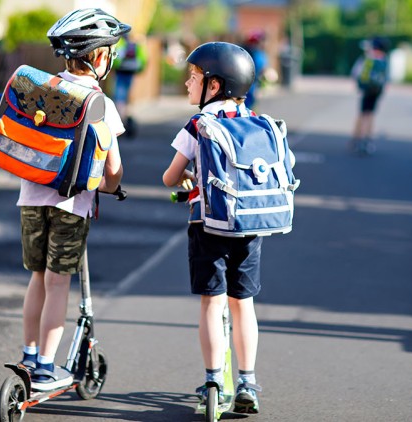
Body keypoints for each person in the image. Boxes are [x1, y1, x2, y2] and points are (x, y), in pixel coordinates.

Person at [16, 7, 128, 391]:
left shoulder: (42, 90)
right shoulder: (100, 104)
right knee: (58, 283)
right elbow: (113, 170)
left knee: (36, 280)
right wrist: (113, 187)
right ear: (99, 57)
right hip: (71, 205)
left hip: (30, 197)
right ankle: (46, 367)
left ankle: (28, 354)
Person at [162, 41, 263, 414]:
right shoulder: (254, 120)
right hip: (249, 225)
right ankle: (247, 381)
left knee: (212, 301)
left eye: (194, 77)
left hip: (209, 224)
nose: (188, 83)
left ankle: (213, 380)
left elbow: (170, 176)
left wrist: (190, 177)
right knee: (243, 303)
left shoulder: (199, 125)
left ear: (214, 86)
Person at [350, 36, 390, 152]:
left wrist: (359, 84)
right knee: (371, 114)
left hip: (366, 89)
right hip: (377, 90)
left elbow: (355, 72)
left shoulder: (368, 57)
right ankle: (368, 139)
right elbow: (387, 77)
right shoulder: (384, 59)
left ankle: (357, 138)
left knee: (362, 114)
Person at [112, 34, 147, 138]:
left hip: (120, 72)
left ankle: (121, 121)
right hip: (131, 72)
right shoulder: (136, 45)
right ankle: (127, 117)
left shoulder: (120, 44)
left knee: (119, 97)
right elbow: (143, 60)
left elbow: (115, 59)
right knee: (127, 96)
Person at [242, 30, 268, 110]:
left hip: (254, 82)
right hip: (248, 81)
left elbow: (262, 69)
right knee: (247, 102)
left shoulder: (260, 54)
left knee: (250, 102)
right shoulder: (252, 53)